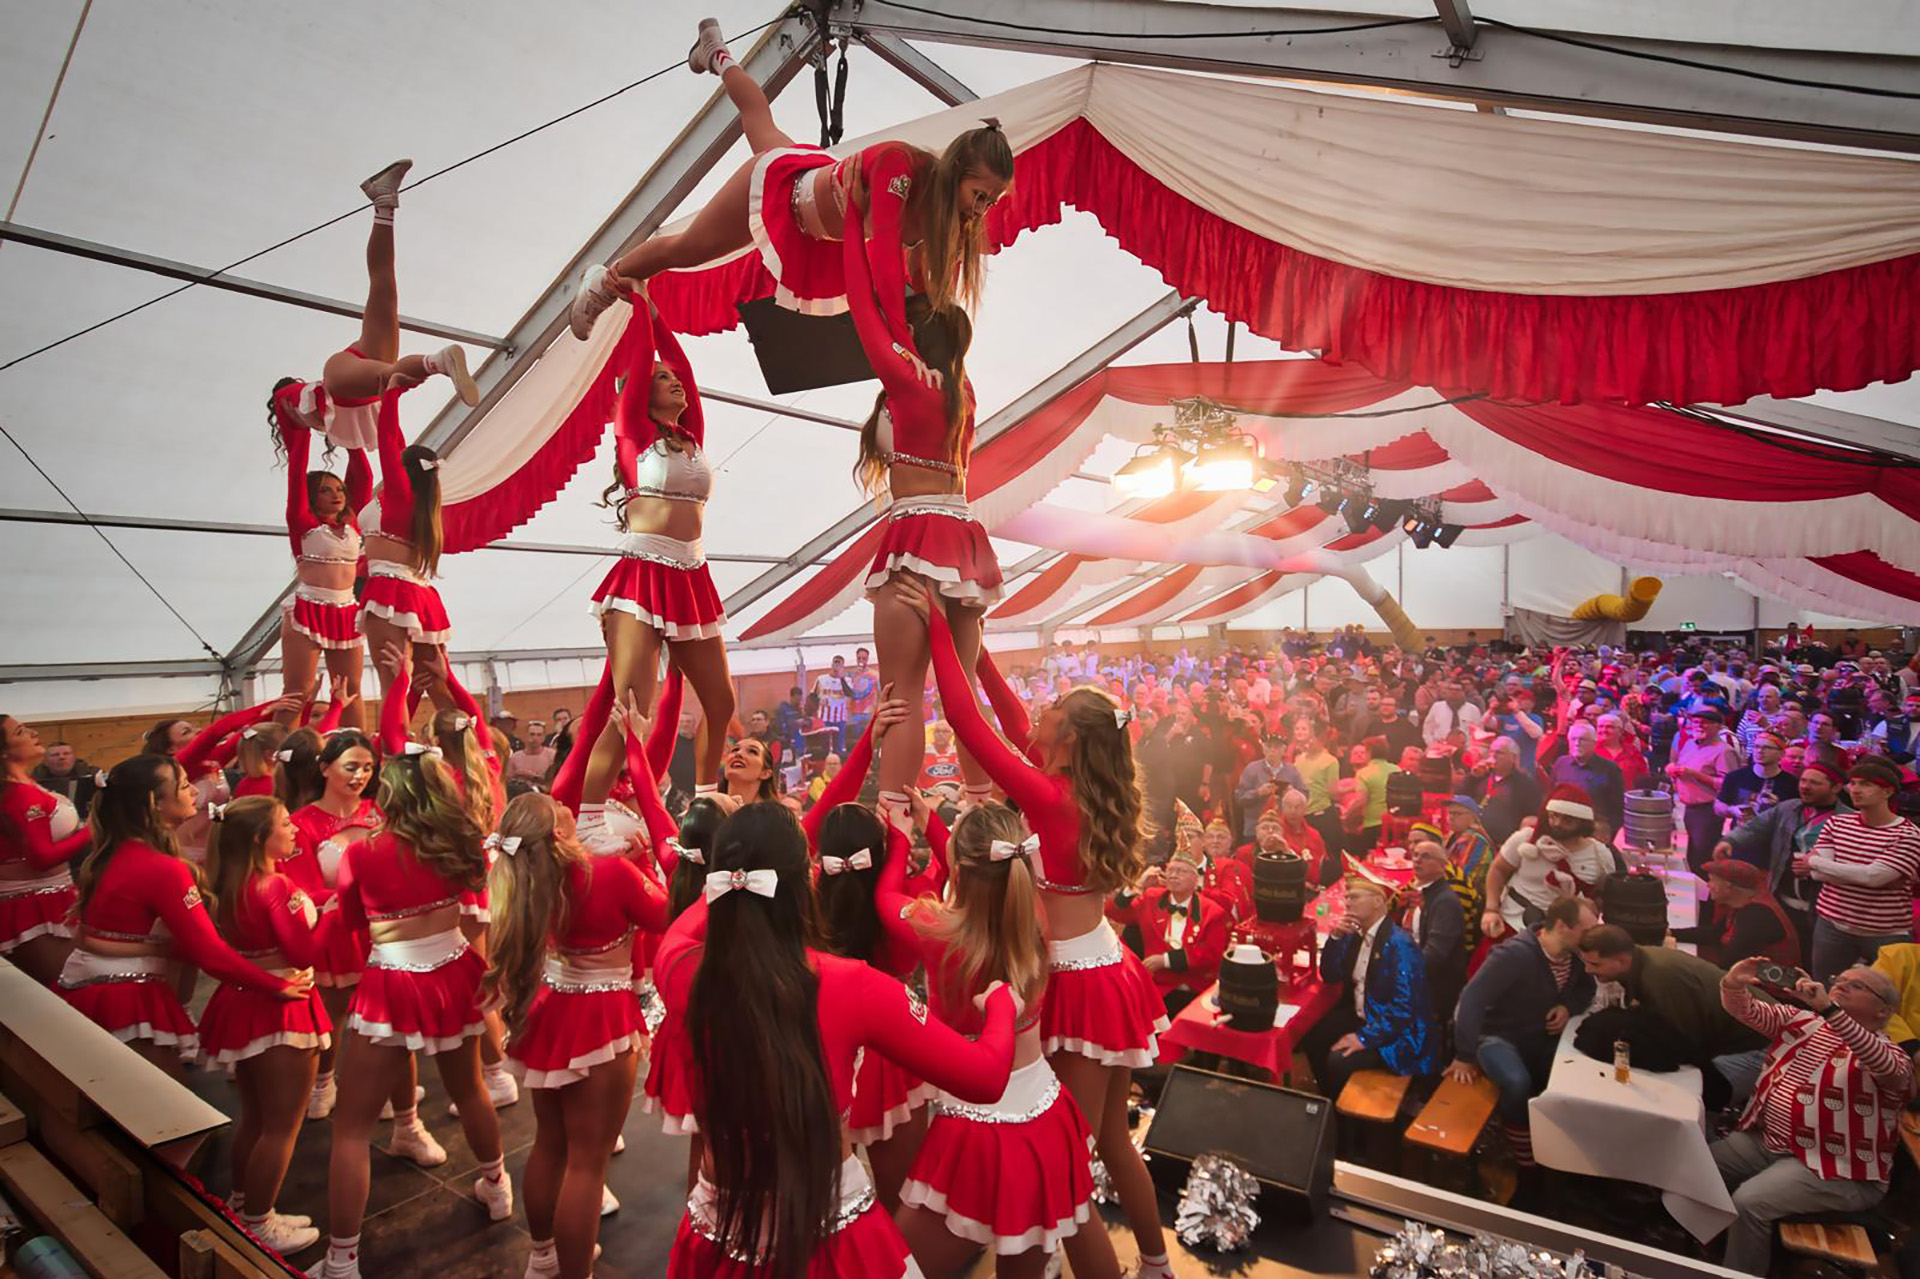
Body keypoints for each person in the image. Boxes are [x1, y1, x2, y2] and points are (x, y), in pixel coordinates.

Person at [908, 583, 1178, 1278]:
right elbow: (1004, 712)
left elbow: (971, 726)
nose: (1039, 711)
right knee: (1110, 1140)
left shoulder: (1052, 800)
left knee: (1072, 1161)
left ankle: (1080, 1258)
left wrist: (940, 626)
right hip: (1103, 962)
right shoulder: (1073, 789)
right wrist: (977, 642)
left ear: (1069, 739)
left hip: (1079, 982)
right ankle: (1154, 1262)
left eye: (1052, 708)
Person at [653, 803, 1020, 1277]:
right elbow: (986, 1077)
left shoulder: (678, 969)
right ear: (805, 883)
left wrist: (730, 880)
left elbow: (688, 924)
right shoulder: (854, 986)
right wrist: (1002, 1008)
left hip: (718, 1232)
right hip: (832, 1237)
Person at [569, 19, 1013, 363]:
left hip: (818, 193)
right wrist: (897, 342)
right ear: (955, 171)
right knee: (686, 250)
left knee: (758, 116)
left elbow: (924, 284)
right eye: (980, 195)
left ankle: (716, 53)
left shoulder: (948, 222)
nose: (983, 209)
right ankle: (605, 280)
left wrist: (933, 343)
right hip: (787, 194)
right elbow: (880, 263)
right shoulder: (902, 166)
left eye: (991, 201)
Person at [308, 659, 509, 1279]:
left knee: (349, 1127)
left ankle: (341, 1263)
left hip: (392, 981)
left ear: (389, 794)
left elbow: (341, 927)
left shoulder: (364, 854)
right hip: (454, 969)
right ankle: (499, 1190)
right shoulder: (462, 842)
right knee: (472, 1088)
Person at [885, 803, 1120, 1278]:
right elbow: (983, 873)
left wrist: (898, 837)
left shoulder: (935, 929)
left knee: (896, 1269)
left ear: (959, 866)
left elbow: (886, 896)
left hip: (979, 1128)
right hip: (1046, 1115)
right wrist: (938, 829)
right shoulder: (1034, 913)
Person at [485, 793, 668, 1279]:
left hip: (548, 1010)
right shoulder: (608, 873)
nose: (564, 804)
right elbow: (666, 917)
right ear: (559, 833)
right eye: (556, 807)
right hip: (601, 1016)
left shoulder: (524, 878)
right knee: (588, 1163)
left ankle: (542, 1257)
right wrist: (644, 866)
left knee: (549, 1144)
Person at [577, 297, 735, 850]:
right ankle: (588, 820)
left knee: (722, 702)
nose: (675, 383)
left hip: (692, 577)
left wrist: (658, 313)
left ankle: (708, 796)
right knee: (630, 713)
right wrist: (639, 300)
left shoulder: (692, 439)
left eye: (676, 380)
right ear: (639, 391)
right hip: (641, 577)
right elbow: (646, 357)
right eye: (661, 379)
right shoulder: (633, 437)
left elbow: (682, 363)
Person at [61, 755, 310, 1075]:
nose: (194, 791)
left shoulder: (115, 852)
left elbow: (88, 935)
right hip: (125, 997)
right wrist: (276, 984)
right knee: (157, 1109)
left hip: (97, 984)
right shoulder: (163, 868)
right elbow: (210, 954)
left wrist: (156, 948)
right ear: (156, 803)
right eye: (183, 785)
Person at [1710, 959, 1912, 1277]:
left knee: (1750, 1202)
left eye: (1856, 985)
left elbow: (1884, 1065)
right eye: (1839, 978)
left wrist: (1831, 1010)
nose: (1841, 985)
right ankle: (1700, 1248)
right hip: (1768, 1143)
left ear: (1883, 1011)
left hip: (1834, 1167)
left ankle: (1738, 1272)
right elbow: (1744, 1009)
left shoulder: (1892, 1056)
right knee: (1698, 1167)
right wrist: (1734, 982)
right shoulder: (1804, 1022)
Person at [197, 797, 331, 1254]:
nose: (294, 829)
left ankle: (243, 1202)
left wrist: (319, 900)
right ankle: (259, 1221)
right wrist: (334, 917)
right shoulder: (275, 886)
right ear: (260, 837)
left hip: (241, 1003)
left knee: (253, 1118)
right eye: (284, 823)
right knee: (282, 1127)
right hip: (282, 1006)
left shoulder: (228, 883)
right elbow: (304, 954)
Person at [1447, 896, 1599, 1169]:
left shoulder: (1576, 956)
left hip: (1536, 1036)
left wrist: (1567, 1006)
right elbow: (1471, 1000)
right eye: (1587, 931)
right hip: (1496, 1035)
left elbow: (1586, 989)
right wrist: (1464, 1055)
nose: (1593, 937)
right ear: (1562, 926)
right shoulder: (1515, 955)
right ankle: (1522, 1155)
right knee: (1518, 1082)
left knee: (1570, 1078)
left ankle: (1558, 1148)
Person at [267, 391, 373, 733]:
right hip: (307, 609)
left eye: (339, 487)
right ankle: (276, 763)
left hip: (345, 610)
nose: (337, 493)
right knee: (296, 694)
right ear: (312, 496)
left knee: (351, 693)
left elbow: (364, 476)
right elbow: (296, 467)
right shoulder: (303, 523)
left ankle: (359, 754)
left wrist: (348, 427)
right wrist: (296, 423)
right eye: (326, 489)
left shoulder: (352, 525)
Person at [1574, 926, 1764, 1102]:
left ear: (1622, 960)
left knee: (1695, 1098)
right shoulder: (1641, 962)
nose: (1588, 970)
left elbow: (1682, 1043)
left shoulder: (1659, 979)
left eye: (1595, 964)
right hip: (1732, 1035)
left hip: (1755, 1046)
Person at [1304, 875, 1440, 1101]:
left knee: (1338, 1061)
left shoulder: (1401, 944)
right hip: (1365, 1014)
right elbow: (1330, 975)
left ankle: (1348, 1124)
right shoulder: (1352, 935)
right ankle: (1330, 1103)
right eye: (1347, 898)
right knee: (1312, 1036)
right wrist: (1335, 938)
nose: (1347, 903)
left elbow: (1405, 1008)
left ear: (1378, 901)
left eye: (1355, 897)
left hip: (1398, 1032)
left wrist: (1364, 1038)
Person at [1715, 760, 1845, 961]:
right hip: (1782, 900)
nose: (1805, 787)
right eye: (1803, 781)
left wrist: (1819, 867)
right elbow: (1755, 827)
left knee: (1814, 962)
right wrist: (1730, 840)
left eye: (1814, 783)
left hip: (1823, 910)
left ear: (1836, 787)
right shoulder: (1788, 808)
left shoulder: (1848, 820)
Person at [1804, 756, 1920, 982]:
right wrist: (1831, 869)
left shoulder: (1908, 835)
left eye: (1866, 784)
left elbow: (1872, 877)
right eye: (1853, 783)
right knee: (1826, 991)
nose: (1856, 789)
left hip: (1886, 932)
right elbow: (1819, 875)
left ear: (1887, 792)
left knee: (1886, 1000)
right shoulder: (1836, 824)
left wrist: (1813, 861)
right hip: (1832, 924)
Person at [0, 715, 86, 986]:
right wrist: (93, 830)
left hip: (55, 894)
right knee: (63, 989)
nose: (33, 733)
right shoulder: (19, 794)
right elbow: (42, 857)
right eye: (21, 732)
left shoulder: (26, 784)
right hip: (31, 904)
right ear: (4, 752)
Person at [1482, 786, 1622, 940]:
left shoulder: (1599, 854)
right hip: (1512, 925)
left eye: (1568, 820)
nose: (1557, 823)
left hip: (1568, 937)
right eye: (1554, 816)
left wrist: (1592, 908)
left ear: (1582, 822)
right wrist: (1491, 909)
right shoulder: (1526, 839)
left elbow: (1604, 895)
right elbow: (1498, 870)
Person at [1121, 844, 1231, 1016]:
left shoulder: (1213, 912)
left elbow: (1211, 952)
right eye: (1171, 870)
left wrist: (1165, 960)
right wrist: (1136, 886)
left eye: (1181, 871)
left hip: (1195, 991)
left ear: (1195, 880)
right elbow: (1116, 913)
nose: (1173, 875)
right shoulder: (1151, 898)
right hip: (1158, 987)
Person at [1674, 858, 1801, 969]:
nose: (1708, 885)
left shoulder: (1756, 916)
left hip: (1769, 991)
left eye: (1712, 880)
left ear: (1729, 886)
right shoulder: (1744, 903)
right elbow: (1715, 933)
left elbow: (1728, 964)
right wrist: (1669, 933)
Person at [1404, 840, 1468, 1018]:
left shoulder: (1445, 902)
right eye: (1415, 855)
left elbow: (1434, 956)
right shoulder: (1423, 892)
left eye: (1425, 857)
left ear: (1442, 865)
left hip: (1436, 987)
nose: (1417, 860)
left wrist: (1400, 969)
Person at [1669, 709, 1738, 873]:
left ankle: (1707, 894)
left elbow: (1728, 785)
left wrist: (1695, 775)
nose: (1699, 725)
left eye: (1705, 722)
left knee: (1702, 856)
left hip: (1708, 810)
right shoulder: (1690, 744)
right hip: (1688, 808)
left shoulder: (1724, 751)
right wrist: (1673, 771)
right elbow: (1681, 767)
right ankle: (1696, 891)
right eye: (1695, 722)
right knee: (1691, 854)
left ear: (1718, 727)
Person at [1548, 722, 1626, 837]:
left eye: (1582, 739)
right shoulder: (1561, 763)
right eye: (1573, 739)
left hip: (1594, 830)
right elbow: (1550, 795)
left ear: (1594, 743)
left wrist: (1610, 833)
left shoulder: (1610, 769)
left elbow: (1618, 807)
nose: (1577, 743)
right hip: (1561, 828)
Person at [1467, 737, 1541, 848]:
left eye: (1499, 753)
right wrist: (1471, 777)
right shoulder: (1480, 776)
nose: (1493, 756)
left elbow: (1532, 817)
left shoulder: (1525, 784)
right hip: (1472, 839)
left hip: (1503, 845)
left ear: (1513, 758)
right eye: (1491, 752)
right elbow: (1461, 799)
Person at [1233, 733, 1304, 842]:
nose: (1272, 750)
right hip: (1254, 829)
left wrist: (1292, 794)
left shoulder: (1292, 771)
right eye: (1269, 746)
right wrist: (1258, 793)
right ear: (1263, 749)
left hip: (1284, 829)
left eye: (1276, 747)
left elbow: (1305, 796)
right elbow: (1239, 798)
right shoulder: (1251, 769)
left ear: (1283, 750)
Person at [31, 740, 98, 821]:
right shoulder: (33, 782)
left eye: (66, 754)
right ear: (45, 761)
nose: (61, 757)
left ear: (74, 758)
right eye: (55, 755)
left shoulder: (94, 777)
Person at [1422, 680, 1484, 747]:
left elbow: (1479, 733)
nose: (1454, 692)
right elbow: (1427, 730)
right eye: (1451, 689)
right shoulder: (1437, 707)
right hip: (1440, 749)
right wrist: (1432, 745)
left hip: (1465, 750)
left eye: (1457, 690)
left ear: (1463, 692)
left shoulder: (1473, 710)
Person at [507, 720, 557, 788]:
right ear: (526, 736)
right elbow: (508, 781)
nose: (535, 738)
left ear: (544, 737)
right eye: (532, 734)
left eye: (539, 735)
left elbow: (555, 781)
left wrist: (532, 777)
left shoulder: (552, 756)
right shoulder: (515, 757)